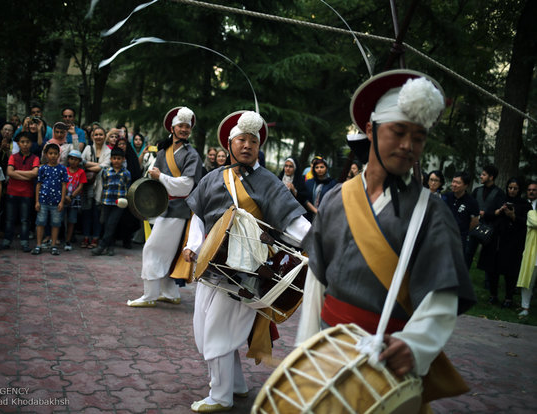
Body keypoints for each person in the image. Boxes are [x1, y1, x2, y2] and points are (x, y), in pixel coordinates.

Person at [299, 70, 476, 408]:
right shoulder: (336, 199)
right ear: (371, 129)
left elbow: (441, 298)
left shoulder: (433, 213)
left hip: (389, 363)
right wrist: (306, 352)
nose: (409, 145)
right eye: (398, 131)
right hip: (330, 351)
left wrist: (415, 344)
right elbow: (316, 282)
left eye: (419, 137)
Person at [181, 110, 310, 412]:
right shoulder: (212, 178)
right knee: (204, 332)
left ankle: (220, 396)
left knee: (217, 332)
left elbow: (294, 222)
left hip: (246, 272)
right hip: (210, 267)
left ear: (258, 147)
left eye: (253, 140)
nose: (248, 145)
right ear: (230, 143)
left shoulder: (269, 182)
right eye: (242, 139)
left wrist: (319, 242)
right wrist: (192, 245)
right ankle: (236, 385)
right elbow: (198, 217)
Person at [126, 106, 203, 307]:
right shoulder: (164, 150)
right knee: (169, 252)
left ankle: (149, 296)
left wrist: (160, 176)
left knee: (152, 249)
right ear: (173, 128)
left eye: (188, 126)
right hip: (163, 206)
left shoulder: (192, 155)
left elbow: (186, 185)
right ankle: (170, 293)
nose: (185, 129)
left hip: (179, 209)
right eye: (181, 126)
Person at [478, 178, 531, 308]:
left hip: (512, 242)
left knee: (509, 271)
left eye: (515, 188)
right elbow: (487, 215)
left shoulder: (524, 204)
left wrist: (513, 216)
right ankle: (493, 295)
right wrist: (498, 211)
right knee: (492, 269)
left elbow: (526, 222)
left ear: (519, 190)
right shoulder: (499, 199)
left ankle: (508, 297)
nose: (512, 191)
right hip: (495, 240)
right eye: (510, 188)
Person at [87, 147, 131, 256]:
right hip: (106, 201)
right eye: (114, 158)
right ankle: (110, 247)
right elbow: (104, 185)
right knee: (107, 224)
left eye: (119, 159)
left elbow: (127, 186)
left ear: (123, 160)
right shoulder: (106, 172)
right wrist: (101, 200)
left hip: (119, 203)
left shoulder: (126, 173)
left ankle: (101, 246)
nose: (116, 161)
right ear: (111, 159)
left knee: (112, 224)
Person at [0, 132, 39, 252]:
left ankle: (24, 242)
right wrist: (27, 176)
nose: (25, 144)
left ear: (31, 143)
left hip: (27, 194)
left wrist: (17, 173)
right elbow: (9, 172)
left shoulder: (35, 158)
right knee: (10, 219)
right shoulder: (13, 156)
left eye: (27, 142)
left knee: (25, 220)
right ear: (18, 143)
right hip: (12, 192)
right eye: (22, 142)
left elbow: (35, 173)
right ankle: (7, 241)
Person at [465, 165, 506, 268]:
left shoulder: (499, 193)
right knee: (468, 253)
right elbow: (469, 205)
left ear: (491, 177)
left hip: (489, 230)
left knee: (488, 259)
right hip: (474, 227)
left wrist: (486, 214)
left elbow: (500, 212)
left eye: (483, 174)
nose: (481, 176)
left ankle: (488, 282)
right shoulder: (477, 190)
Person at [32, 143, 68, 256]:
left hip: (57, 202)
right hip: (43, 200)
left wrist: (62, 201)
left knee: (56, 223)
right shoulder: (42, 168)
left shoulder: (62, 169)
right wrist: (37, 201)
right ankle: (38, 245)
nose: (53, 156)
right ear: (46, 155)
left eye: (55, 153)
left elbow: (64, 185)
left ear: (59, 155)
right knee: (40, 222)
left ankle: (53, 245)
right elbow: (38, 185)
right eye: (50, 153)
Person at [81, 126, 111, 248]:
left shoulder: (108, 151)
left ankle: (95, 238)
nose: (98, 137)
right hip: (87, 185)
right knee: (86, 212)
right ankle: (86, 237)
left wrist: (90, 166)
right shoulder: (88, 148)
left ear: (104, 136)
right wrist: (99, 165)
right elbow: (81, 162)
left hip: (101, 186)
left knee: (97, 214)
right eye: (96, 134)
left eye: (101, 134)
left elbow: (105, 166)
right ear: (92, 136)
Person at [442, 171, 480, 266]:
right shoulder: (446, 197)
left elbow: (474, 222)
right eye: (453, 181)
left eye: (458, 183)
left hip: (459, 238)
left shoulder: (471, 202)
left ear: (465, 185)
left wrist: (463, 231)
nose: (454, 185)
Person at [517, 181, 537, 316]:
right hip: (530, 247)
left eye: (534, 190)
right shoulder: (526, 207)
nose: (531, 192)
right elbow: (533, 221)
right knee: (528, 278)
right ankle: (525, 307)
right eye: (529, 189)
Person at [63, 150, 87, 251]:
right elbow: (62, 183)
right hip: (63, 198)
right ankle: (57, 239)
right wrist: (64, 196)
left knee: (71, 221)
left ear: (79, 161)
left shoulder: (81, 172)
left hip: (74, 199)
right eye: (71, 159)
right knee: (59, 219)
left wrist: (71, 196)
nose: (73, 161)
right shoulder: (64, 170)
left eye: (76, 160)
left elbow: (81, 186)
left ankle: (68, 240)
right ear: (68, 159)